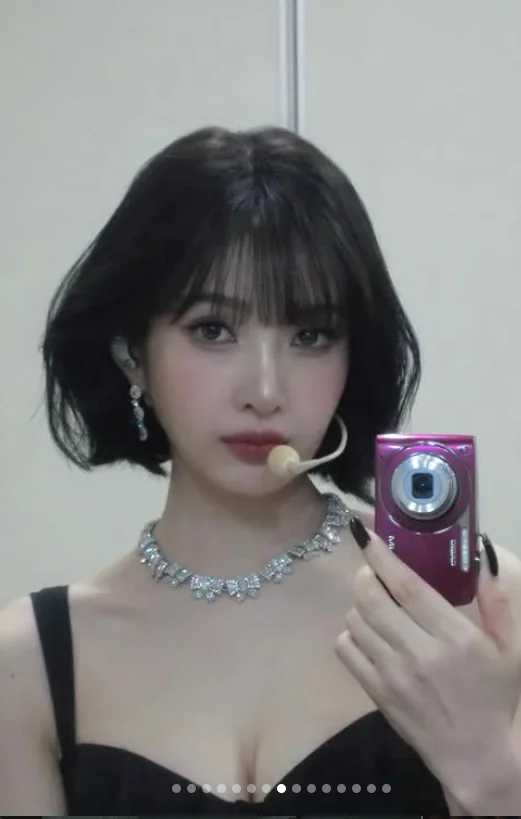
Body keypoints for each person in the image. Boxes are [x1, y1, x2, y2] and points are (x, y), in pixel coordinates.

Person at [1, 125, 521, 817]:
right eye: (212, 330)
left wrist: (491, 776)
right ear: (131, 353)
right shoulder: (29, 663)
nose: (265, 391)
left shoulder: (480, 602)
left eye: (310, 335)